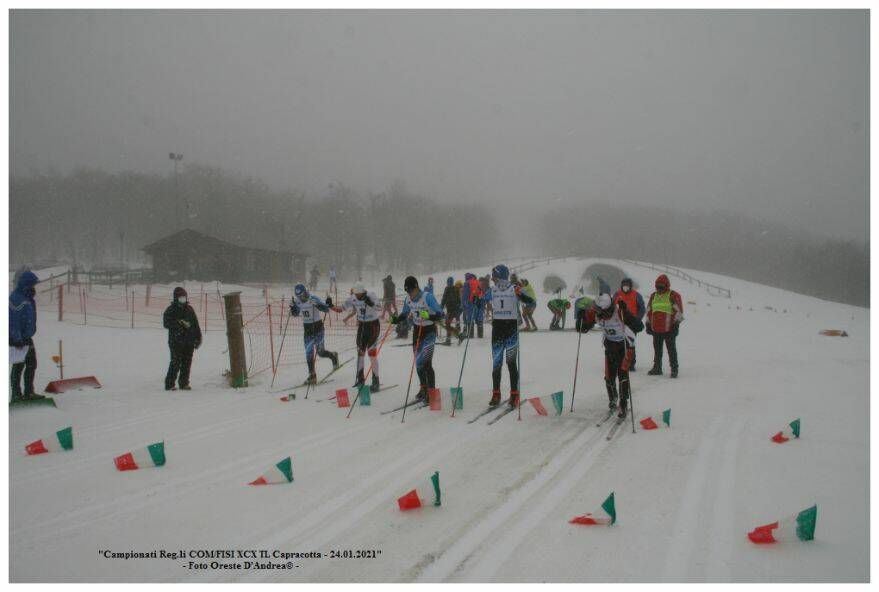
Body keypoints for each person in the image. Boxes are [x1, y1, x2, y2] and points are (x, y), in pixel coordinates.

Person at [577, 293, 643, 419]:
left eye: (598, 309)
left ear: (607, 309)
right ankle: (613, 399)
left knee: (623, 375)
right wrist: (581, 318)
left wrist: (627, 313)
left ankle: (623, 404)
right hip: (610, 346)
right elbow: (583, 328)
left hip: (625, 346)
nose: (596, 311)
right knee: (609, 376)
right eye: (595, 308)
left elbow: (639, 327)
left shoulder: (619, 312)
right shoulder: (596, 314)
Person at [484, 265, 534, 408]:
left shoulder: (513, 288)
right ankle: (496, 394)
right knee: (496, 363)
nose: (492, 278)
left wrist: (521, 295)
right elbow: (481, 300)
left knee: (511, 363)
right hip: (498, 327)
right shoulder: (492, 290)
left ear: (500, 276)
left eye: (494, 276)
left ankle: (514, 394)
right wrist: (477, 300)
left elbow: (530, 301)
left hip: (511, 327)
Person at [391, 276, 444, 402]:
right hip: (417, 330)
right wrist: (396, 319)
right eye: (407, 291)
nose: (409, 294)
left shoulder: (427, 297)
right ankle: (423, 388)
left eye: (410, 290)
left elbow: (440, 313)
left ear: (416, 287)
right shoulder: (408, 299)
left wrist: (428, 315)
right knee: (418, 361)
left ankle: (431, 391)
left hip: (429, 331)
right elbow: (405, 313)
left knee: (427, 362)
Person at [331, 281, 382, 391]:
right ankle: (360, 379)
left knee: (372, 354)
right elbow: (341, 309)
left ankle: (376, 380)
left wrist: (371, 303)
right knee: (360, 353)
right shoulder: (353, 297)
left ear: (363, 292)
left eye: (360, 295)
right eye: (356, 294)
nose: (358, 297)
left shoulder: (371, 295)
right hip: (362, 326)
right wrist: (330, 305)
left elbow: (379, 308)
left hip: (373, 325)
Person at [289, 283, 339, 384]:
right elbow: (295, 314)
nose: (300, 298)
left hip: (318, 327)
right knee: (308, 353)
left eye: (302, 295)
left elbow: (326, 310)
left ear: (305, 292)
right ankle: (312, 376)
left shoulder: (313, 298)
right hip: (307, 329)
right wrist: (292, 307)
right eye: (298, 296)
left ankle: (333, 356)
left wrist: (317, 304)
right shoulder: (298, 301)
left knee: (320, 352)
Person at [9, 270, 43, 401]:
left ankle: (29, 392)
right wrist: (16, 338)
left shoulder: (28, 298)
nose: (34, 288)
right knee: (18, 365)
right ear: (26, 284)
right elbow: (13, 321)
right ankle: (16, 394)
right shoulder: (16, 298)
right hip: (17, 338)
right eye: (32, 285)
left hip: (26, 337)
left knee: (31, 364)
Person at [163, 287, 202, 391]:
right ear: (176, 298)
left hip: (189, 341)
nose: (183, 299)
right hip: (176, 341)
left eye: (184, 297)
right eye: (180, 297)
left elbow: (195, 324)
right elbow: (166, 323)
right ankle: (170, 384)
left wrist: (198, 337)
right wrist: (178, 323)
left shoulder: (189, 309)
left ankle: (184, 383)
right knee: (175, 362)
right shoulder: (171, 310)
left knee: (187, 362)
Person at [646, 274, 684, 378]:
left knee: (671, 349)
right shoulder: (654, 296)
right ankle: (657, 368)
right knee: (657, 349)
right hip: (656, 328)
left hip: (669, 328)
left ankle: (674, 369)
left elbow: (679, 312)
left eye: (662, 284)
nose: (660, 286)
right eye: (658, 284)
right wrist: (648, 323)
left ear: (666, 285)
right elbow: (649, 310)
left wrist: (676, 325)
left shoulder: (673, 295)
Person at [613, 277, 646, 371]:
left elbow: (642, 308)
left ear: (630, 286)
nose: (625, 287)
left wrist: (637, 319)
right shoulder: (617, 294)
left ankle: (631, 363)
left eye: (627, 285)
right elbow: (612, 305)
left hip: (631, 323)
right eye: (624, 285)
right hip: (619, 323)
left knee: (630, 343)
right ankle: (619, 361)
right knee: (618, 343)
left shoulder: (636, 295)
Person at [458, 272, 482, 342]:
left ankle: (471, 335)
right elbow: (481, 292)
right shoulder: (477, 282)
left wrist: (463, 304)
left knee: (470, 318)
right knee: (479, 318)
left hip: (470, 302)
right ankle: (480, 334)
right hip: (478, 301)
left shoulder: (466, 283)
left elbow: (465, 295)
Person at [440, 276, 462, 345]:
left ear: (448, 282)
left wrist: (441, 307)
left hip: (450, 310)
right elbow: (459, 299)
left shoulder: (447, 288)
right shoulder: (456, 288)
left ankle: (449, 340)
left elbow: (444, 298)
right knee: (455, 323)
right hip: (456, 309)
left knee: (447, 324)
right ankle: (459, 335)